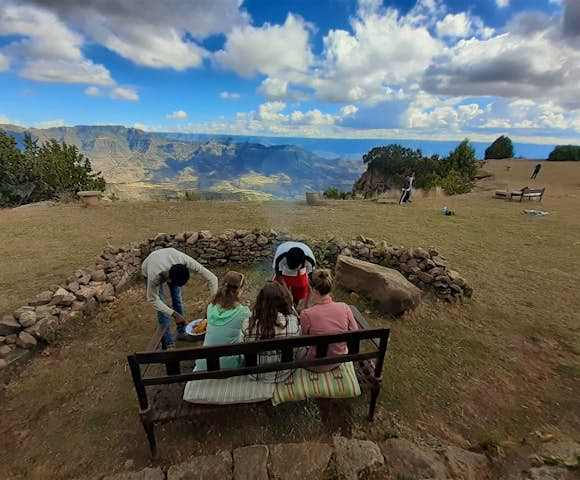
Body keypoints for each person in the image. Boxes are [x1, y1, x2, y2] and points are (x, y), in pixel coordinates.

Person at [141, 247, 218, 347]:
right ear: (169, 279)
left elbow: (212, 278)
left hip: (168, 258)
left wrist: (212, 305)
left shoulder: (183, 260)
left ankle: (182, 333)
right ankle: (169, 342)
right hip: (150, 265)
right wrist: (174, 314)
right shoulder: (154, 275)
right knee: (162, 307)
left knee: (177, 299)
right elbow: (152, 300)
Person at [300, 269, 358, 371]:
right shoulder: (344, 307)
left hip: (314, 365)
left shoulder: (306, 314)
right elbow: (354, 331)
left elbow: (305, 340)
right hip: (337, 361)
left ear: (314, 290)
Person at [242, 281, 300, 383]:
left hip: (255, 374)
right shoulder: (292, 321)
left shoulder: (248, 324)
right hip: (285, 373)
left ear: (260, 301)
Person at [196, 271, 250, 371]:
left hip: (203, 364)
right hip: (228, 367)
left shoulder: (211, 307)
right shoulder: (243, 312)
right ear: (239, 290)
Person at [272, 241, 316, 307]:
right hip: (284, 272)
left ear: (304, 262)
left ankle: (295, 304)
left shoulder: (310, 259)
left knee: (300, 289)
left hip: (300, 273)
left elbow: (310, 276)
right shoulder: (280, 256)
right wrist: (286, 291)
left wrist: (309, 288)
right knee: (279, 291)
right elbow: (278, 274)